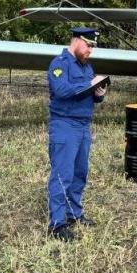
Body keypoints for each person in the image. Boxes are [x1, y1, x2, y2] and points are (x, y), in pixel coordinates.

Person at [46, 27, 108, 241]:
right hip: (64, 125)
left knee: (80, 173)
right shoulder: (59, 64)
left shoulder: (87, 67)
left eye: (93, 46)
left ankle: (74, 214)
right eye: (89, 45)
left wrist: (99, 93)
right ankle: (57, 224)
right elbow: (61, 90)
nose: (91, 50)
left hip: (83, 126)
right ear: (77, 41)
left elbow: (89, 94)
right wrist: (89, 84)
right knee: (62, 175)